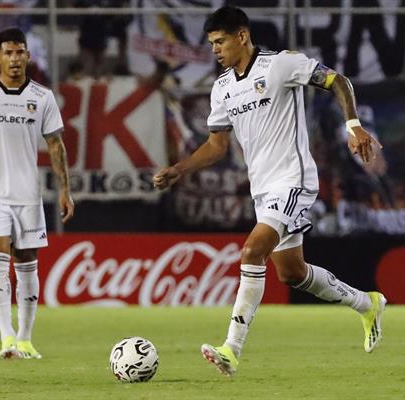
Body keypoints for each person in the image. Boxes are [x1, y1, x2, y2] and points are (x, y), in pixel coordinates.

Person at [153, 7, 386, 376]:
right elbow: (216, 146)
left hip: (293, 180)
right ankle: (367, 303)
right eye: (211, 43)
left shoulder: (280, 65)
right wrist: (180, 170)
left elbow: (337, 80)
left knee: (251, 250)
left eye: (220, 41)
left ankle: (231, 349)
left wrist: (353, 125)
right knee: (291, 273)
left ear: (242, 36)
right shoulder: (223, 87)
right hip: (263, 191)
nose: (215, 49)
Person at [0, 27, 74, 359]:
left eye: (19, 52)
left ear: (28, 56)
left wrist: (65, 188)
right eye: (7, 53)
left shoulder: (42, 97)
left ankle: (25, 338)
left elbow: (55, 145)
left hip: (27, 194)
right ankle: (6, 338)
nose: (14, 58)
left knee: (27, 264)